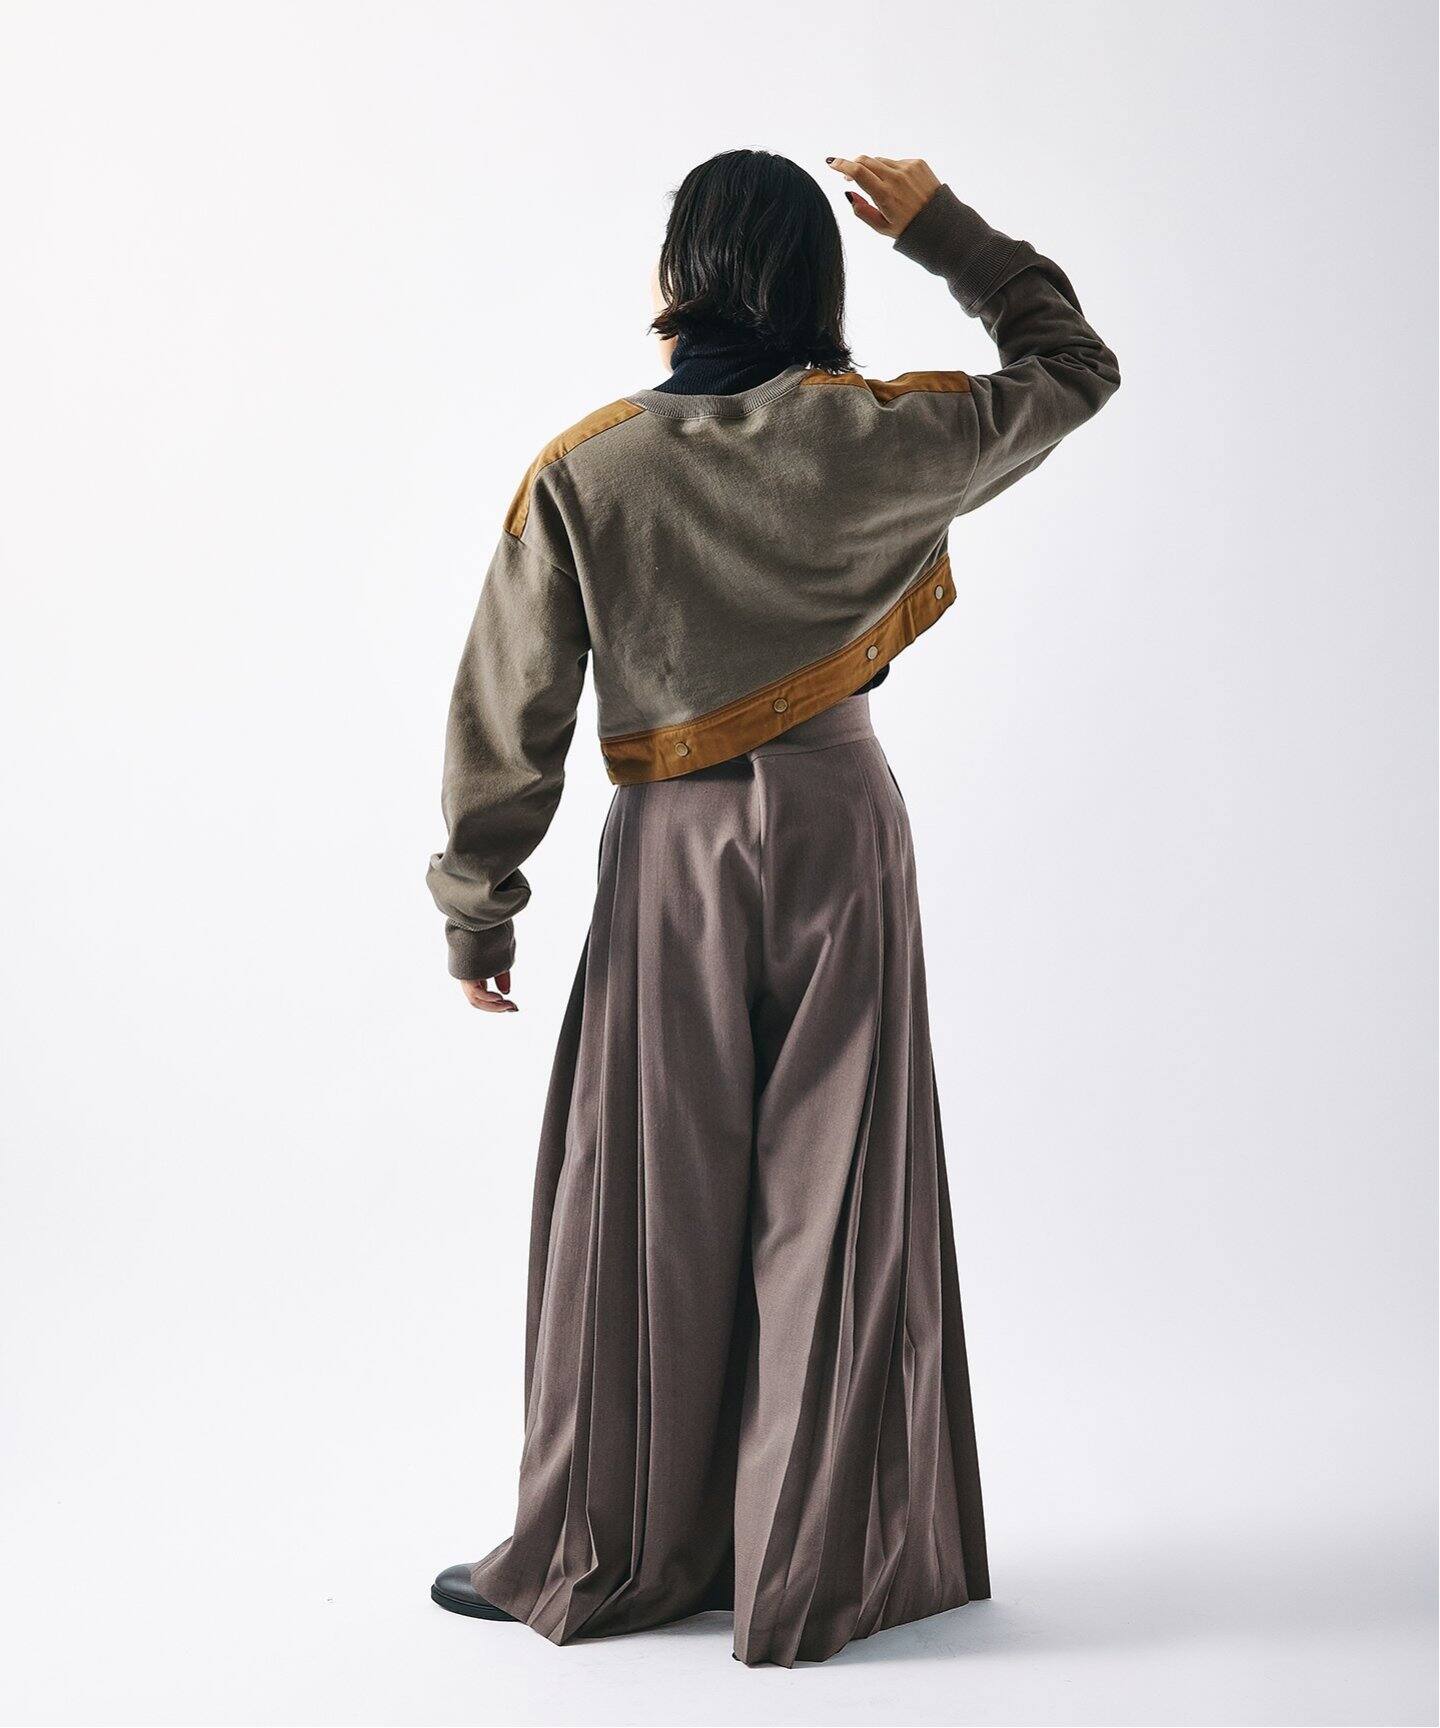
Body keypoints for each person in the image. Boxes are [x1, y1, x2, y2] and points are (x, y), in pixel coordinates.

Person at [425, 151, 1120, 1667]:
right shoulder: (886, 434)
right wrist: (947, 231)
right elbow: (1074, 368)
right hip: (843, 827)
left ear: (679, 274)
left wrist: (481, 910)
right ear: (818, 281)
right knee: (834, 1188)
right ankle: (813, 1554)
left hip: (676, 852)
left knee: (646, 1195)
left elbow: (509, 708)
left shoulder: (587, 469)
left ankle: (611, 1549)